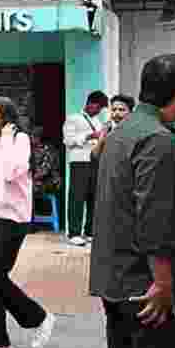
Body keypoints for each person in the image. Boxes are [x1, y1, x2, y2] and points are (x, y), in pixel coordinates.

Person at [90, 54, 175, 348]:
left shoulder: (121, 133)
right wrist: (163, 283)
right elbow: (153, 218)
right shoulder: (158, 139)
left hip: (116, 281)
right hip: (149, 289)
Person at [0, 97, 55, 348]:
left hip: (13, 217)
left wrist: (7, 139)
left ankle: (39, 318)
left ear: (5, 115)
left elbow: (11, 173)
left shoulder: (18, 139)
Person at [62, 90, 108, 246]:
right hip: (79, 161)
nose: (99, 111)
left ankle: (89, 231)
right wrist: (89, 136)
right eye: (98, 107)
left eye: (101, 109)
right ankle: (74, 233)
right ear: (90, 103)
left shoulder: (98, 121)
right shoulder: (73, 119)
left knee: (93, 196)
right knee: (77, 196)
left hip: (96, 160)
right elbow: (68, 141)